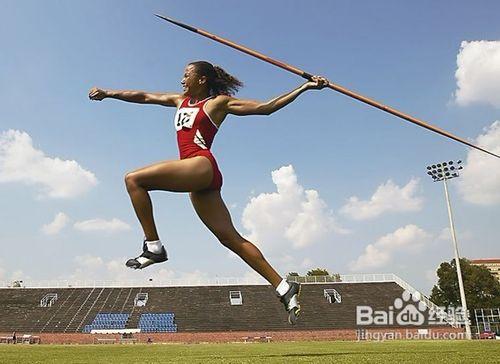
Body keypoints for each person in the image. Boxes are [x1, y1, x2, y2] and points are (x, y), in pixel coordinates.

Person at [89, 61, 329, 324]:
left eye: (186, 75)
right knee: (230, 239)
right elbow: (144, 96)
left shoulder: (217, 103)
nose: (181, 80)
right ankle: (283, 286)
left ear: (201, 79)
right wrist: (109, 93)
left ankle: (153, 247)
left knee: (134, 180)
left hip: (201, 165)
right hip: (199, 183)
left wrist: (304, 87)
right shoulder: (179, 100)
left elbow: (266, 108)